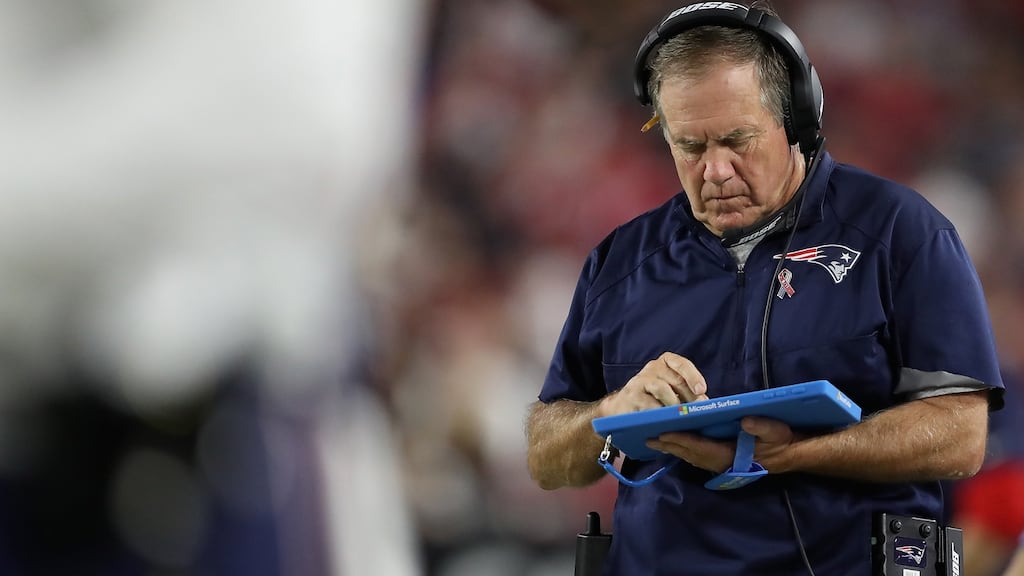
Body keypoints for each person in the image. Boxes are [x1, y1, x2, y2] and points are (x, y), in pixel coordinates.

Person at [524, 2, 1005, 575]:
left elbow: (960, 435)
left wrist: (794, 453)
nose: (716, 171)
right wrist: (611, 412)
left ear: (796, 120)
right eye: (691, 147)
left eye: (738, 140)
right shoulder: (621, 261)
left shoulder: (902, 232)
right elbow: (546, 456)